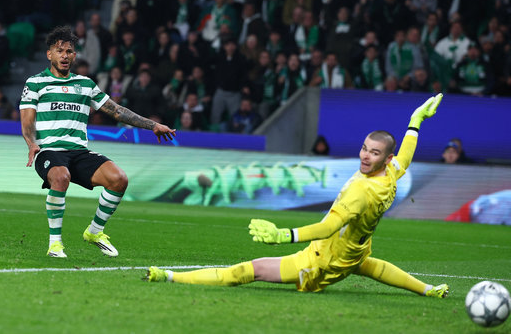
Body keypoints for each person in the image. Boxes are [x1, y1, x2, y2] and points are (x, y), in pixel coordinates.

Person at [145, 94, 450, 300]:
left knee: (246, 271)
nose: (365, 156)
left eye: (374, 153)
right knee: (370, 266)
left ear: (385, 158)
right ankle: (428, 290)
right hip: (352, 254)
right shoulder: (391, 173)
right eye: (364, 148)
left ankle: (168, 277)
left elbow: (327, 228)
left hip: (321, 262)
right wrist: (415, 121)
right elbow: (405, 156)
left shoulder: (361, 191)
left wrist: (283, 235)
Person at [19, 26, 176, 258]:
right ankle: (55, 244)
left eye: (69, 51)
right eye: (59, 50)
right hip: (48, 150)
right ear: (49, 54)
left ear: (75, 55)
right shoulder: (35, 83)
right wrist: (31, 143)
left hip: (79, 152)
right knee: (61, 177)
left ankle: (94, 231)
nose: (64, 55)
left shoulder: (86, 85)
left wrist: (152, 125)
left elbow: (117, 111)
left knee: (119, 179)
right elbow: (27, 121)